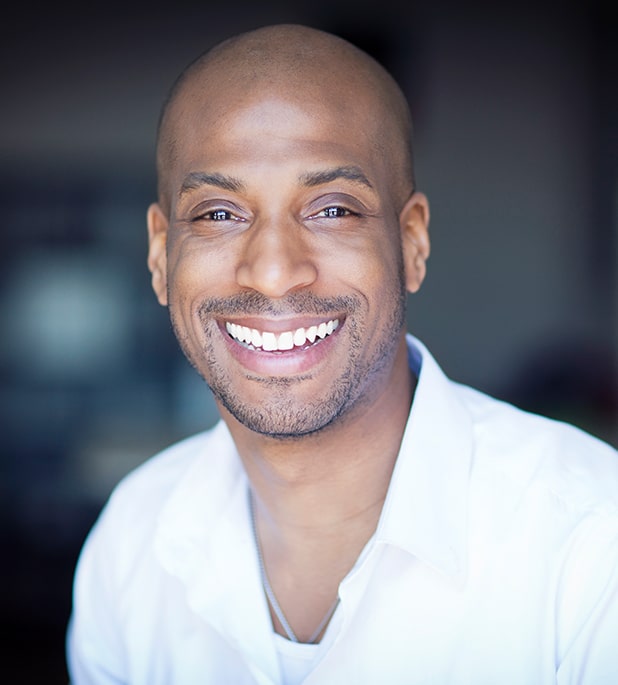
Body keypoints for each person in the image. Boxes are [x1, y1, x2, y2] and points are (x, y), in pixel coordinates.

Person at [67, 23, 618, 685]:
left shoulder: (590, 546)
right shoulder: (132, 543)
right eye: (218, 213)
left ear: (412, 242)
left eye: (332, 210)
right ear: (160, 255)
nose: (272, 271)